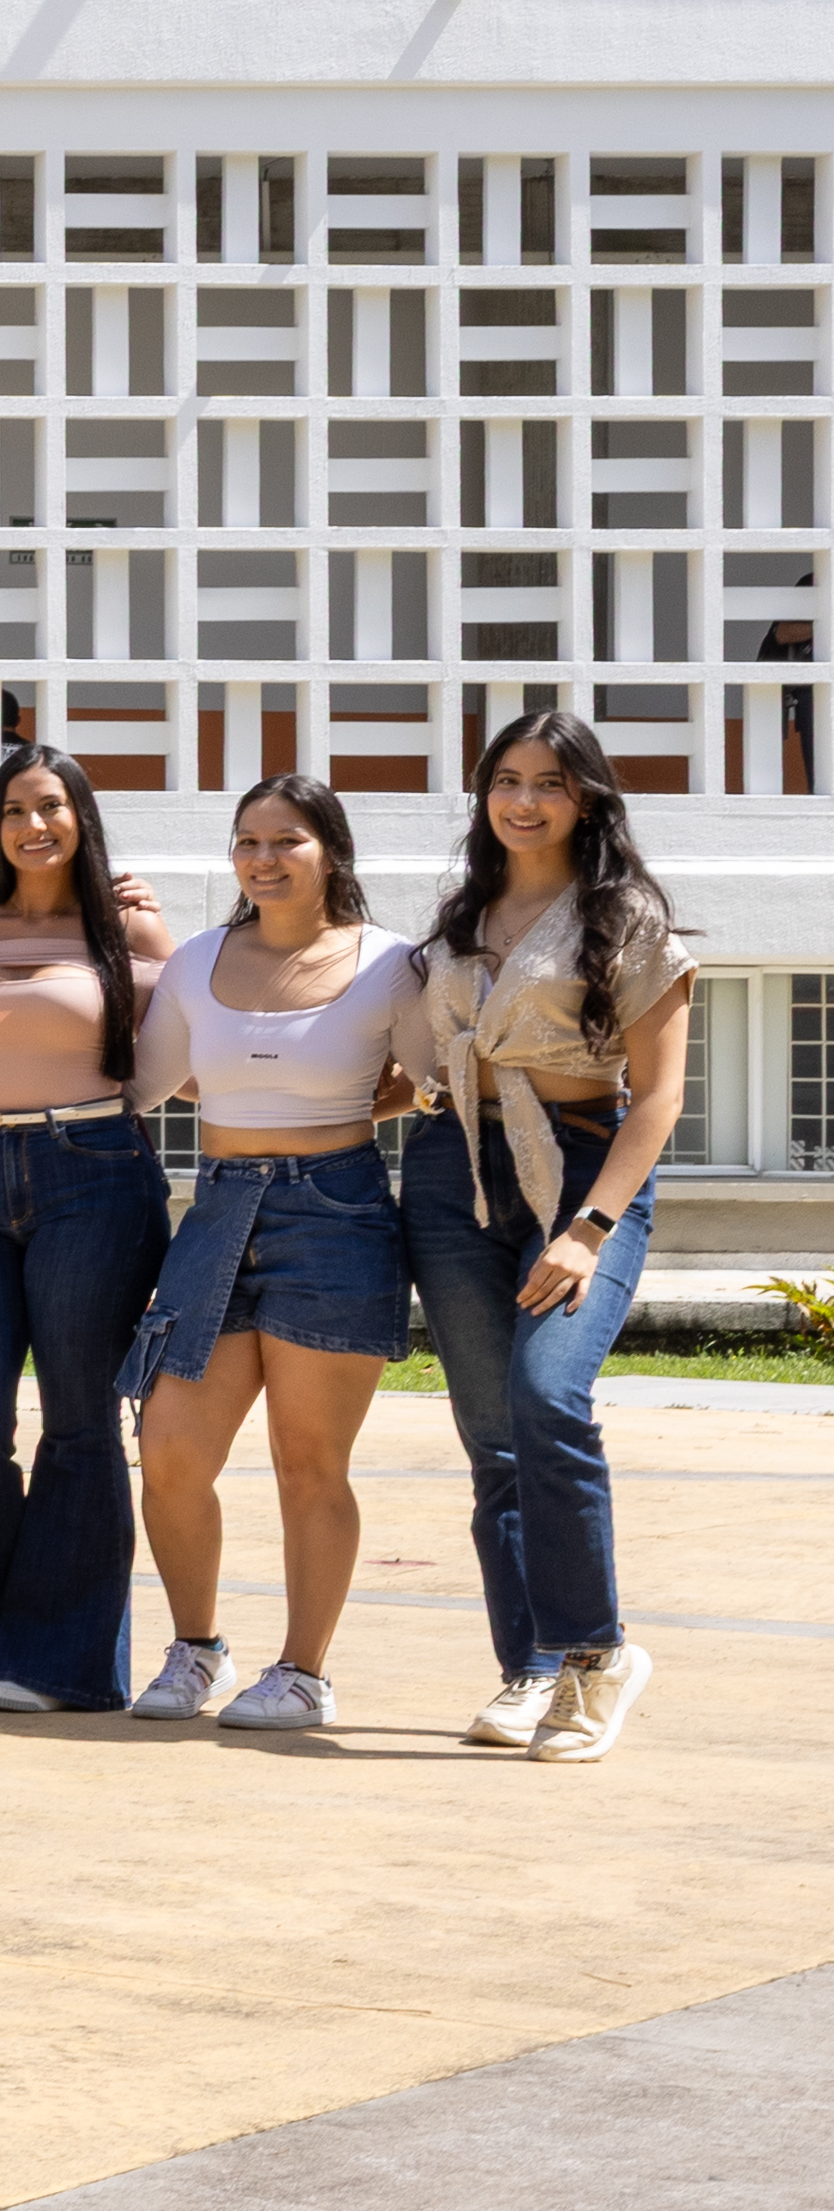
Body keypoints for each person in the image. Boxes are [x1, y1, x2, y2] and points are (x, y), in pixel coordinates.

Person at [397, 707, 694, 1764]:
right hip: (449, 1172)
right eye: (505, 779)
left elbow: (656, 1099)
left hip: (577, 1168)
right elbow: (418, 1063)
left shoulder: (624, 917)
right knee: (490, 1438)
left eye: (548, 781)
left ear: (586, 798)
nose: (522, 799)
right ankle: (529, 1664)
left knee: (545, 1395)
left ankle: (596, 1653)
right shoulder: (459, 914)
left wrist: (589, 1225)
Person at [122, 774, 410, 1737]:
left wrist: (334, 1115)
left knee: (308, 1459)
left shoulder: (388, 961)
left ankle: (304, 1673)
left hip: (337, 1214)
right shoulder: (199, 959)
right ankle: (196, 1646)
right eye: (247, 841)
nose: (263, 858)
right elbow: (146, 1080)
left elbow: (435, 1075)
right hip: (217, 1212)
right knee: (168, 1449)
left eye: (286, 840)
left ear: (331, 850)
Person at [0, 742, 177, 1714]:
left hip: (93, 1169)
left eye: (51, 806)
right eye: (13, 809)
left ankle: (56, 1660)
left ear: (79, 818)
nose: (33, 824)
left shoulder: (127, 925)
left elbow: (182, 1052)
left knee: (78, 1422)